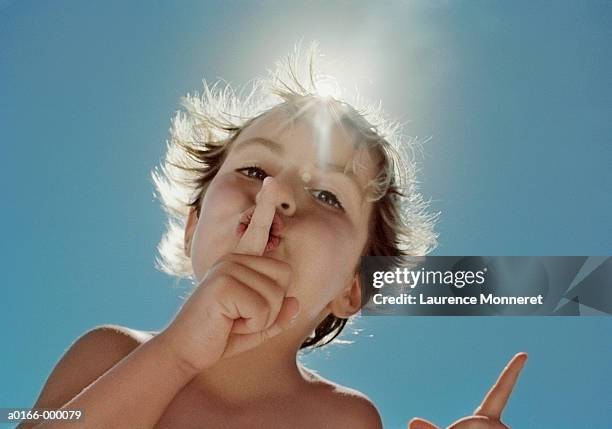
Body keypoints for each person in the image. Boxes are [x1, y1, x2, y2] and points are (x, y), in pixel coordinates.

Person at [20, 44, 499, 428]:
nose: (277, 192)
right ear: (193, 228)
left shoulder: (344, 419)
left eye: (329, 196)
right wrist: (175, 356)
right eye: (253, 169)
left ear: (352, 289)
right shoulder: (108, 354)